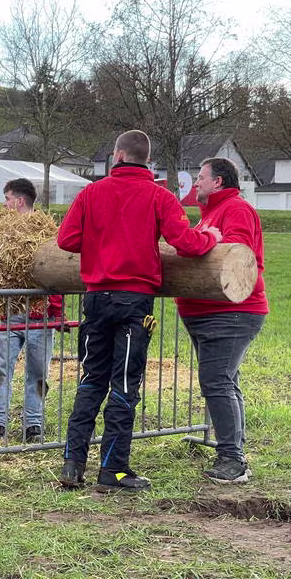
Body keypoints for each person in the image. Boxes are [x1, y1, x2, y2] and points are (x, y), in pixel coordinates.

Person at [57, 130, 222, 491]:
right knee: (124, 385)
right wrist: (212, 237)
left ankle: (72, 464)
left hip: (96, 299)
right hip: (134, 302)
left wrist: (101, 242)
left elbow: (66, 239)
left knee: (91, 380)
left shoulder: (90, 193)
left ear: (117, 155)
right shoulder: (159, 196)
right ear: (147, 160)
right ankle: (113, 471)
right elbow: (184, 242)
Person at [175, 158, 267, 484]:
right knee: (224, 382)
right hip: (208, 314)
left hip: (230, 313)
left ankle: (232, 460)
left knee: (217, 382)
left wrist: (201, 240)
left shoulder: (236, 209)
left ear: (218, 181)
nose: (196, 182)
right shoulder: (211, 214)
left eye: (201, 177)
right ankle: (234, 451)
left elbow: (236, 254)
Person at [0, 178, 63, 443]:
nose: (4, 204)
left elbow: (56, 271)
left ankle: (34, 424)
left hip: (40, 316)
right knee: (1, 370)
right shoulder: (1, 235)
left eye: (7, 199)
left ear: (19, 201)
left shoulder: (46, 232)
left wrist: (57, 312)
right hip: (9, 314)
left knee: (38, 374)